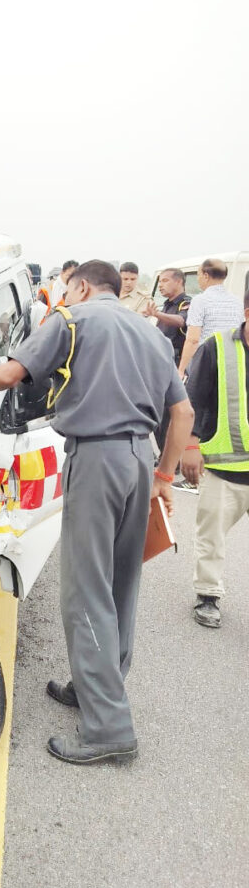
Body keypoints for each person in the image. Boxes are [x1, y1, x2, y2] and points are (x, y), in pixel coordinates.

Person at [0, 260, 193, 766]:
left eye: (67, 291)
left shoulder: (72, 321)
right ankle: (97, 686)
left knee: (86, 590)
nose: (64, 297)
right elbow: (182, 413)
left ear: (81, 287)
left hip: (97, 459)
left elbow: (11, 374)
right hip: (139, 459)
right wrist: (164, 478)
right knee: (120, 583)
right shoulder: (149, 331)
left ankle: (110, 729)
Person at [180, 290, 249, 629]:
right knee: (212, 537)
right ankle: (208, 596)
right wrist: (190, 445)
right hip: (224, 467)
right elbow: (194, 397)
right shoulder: (217, 347)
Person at [144, 269, 191, 470]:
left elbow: (181, 321)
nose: (161, 285)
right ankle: (164, 455)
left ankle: (172, 460)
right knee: (158, 414)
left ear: (179, 282)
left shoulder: (185, 303)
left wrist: (157, 314)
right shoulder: (166, 305)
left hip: (176, 363)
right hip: (160, 363)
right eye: (160, 281)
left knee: (171, 415)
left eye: (165, 281)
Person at [177, 259, 243, 378]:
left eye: (198, 275)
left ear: (206, 276)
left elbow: (193, 340)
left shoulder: (200, 301)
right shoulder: (237, 301)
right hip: (231, 362)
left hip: (206, 362)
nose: (198, 279)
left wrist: (181, 370)